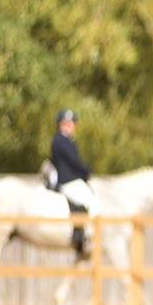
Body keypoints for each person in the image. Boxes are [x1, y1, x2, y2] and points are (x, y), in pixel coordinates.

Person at [50, 108, 96, 258]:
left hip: (73, 179)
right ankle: (84, 235)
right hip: (67, 181)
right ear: (60, 124)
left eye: (71, 123)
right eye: (65, 123)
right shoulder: (60, 141)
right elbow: (74, 162)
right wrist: (86, 171)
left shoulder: (68, 141)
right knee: (90, 199)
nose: (69, 126)